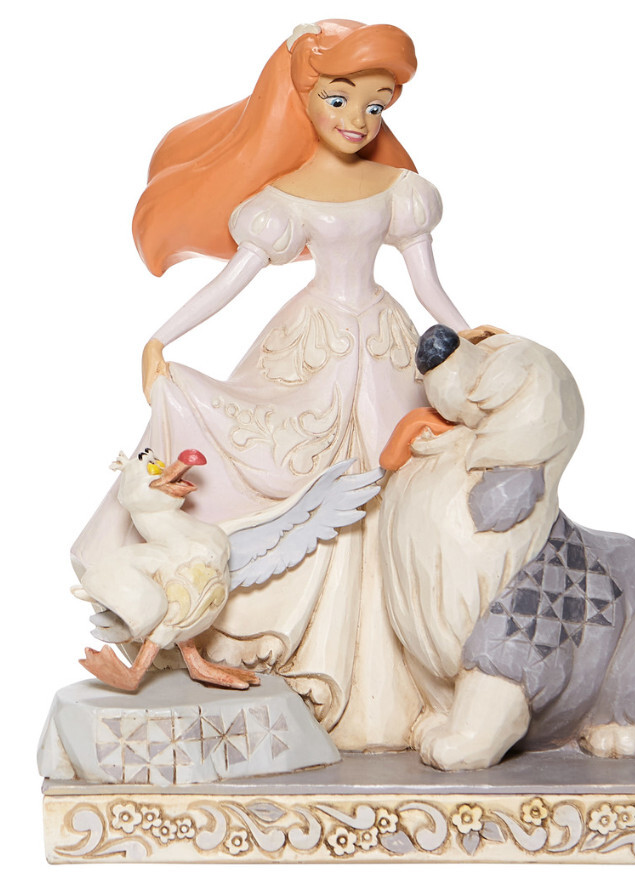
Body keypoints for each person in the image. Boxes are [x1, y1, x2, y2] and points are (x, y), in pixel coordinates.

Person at [72, 19, 469, 751]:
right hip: (314, 348)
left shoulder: (401, 191)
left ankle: (402, 673)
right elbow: (231, 282)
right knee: (307, 475)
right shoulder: (285, 200)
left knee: (393, 482)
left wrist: (471, 341)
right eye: (339, 100)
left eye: (376, 104)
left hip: (385, 344)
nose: (357, 120)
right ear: (304, 97)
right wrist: (161, 339)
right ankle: (304, 654)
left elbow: (430, 289)